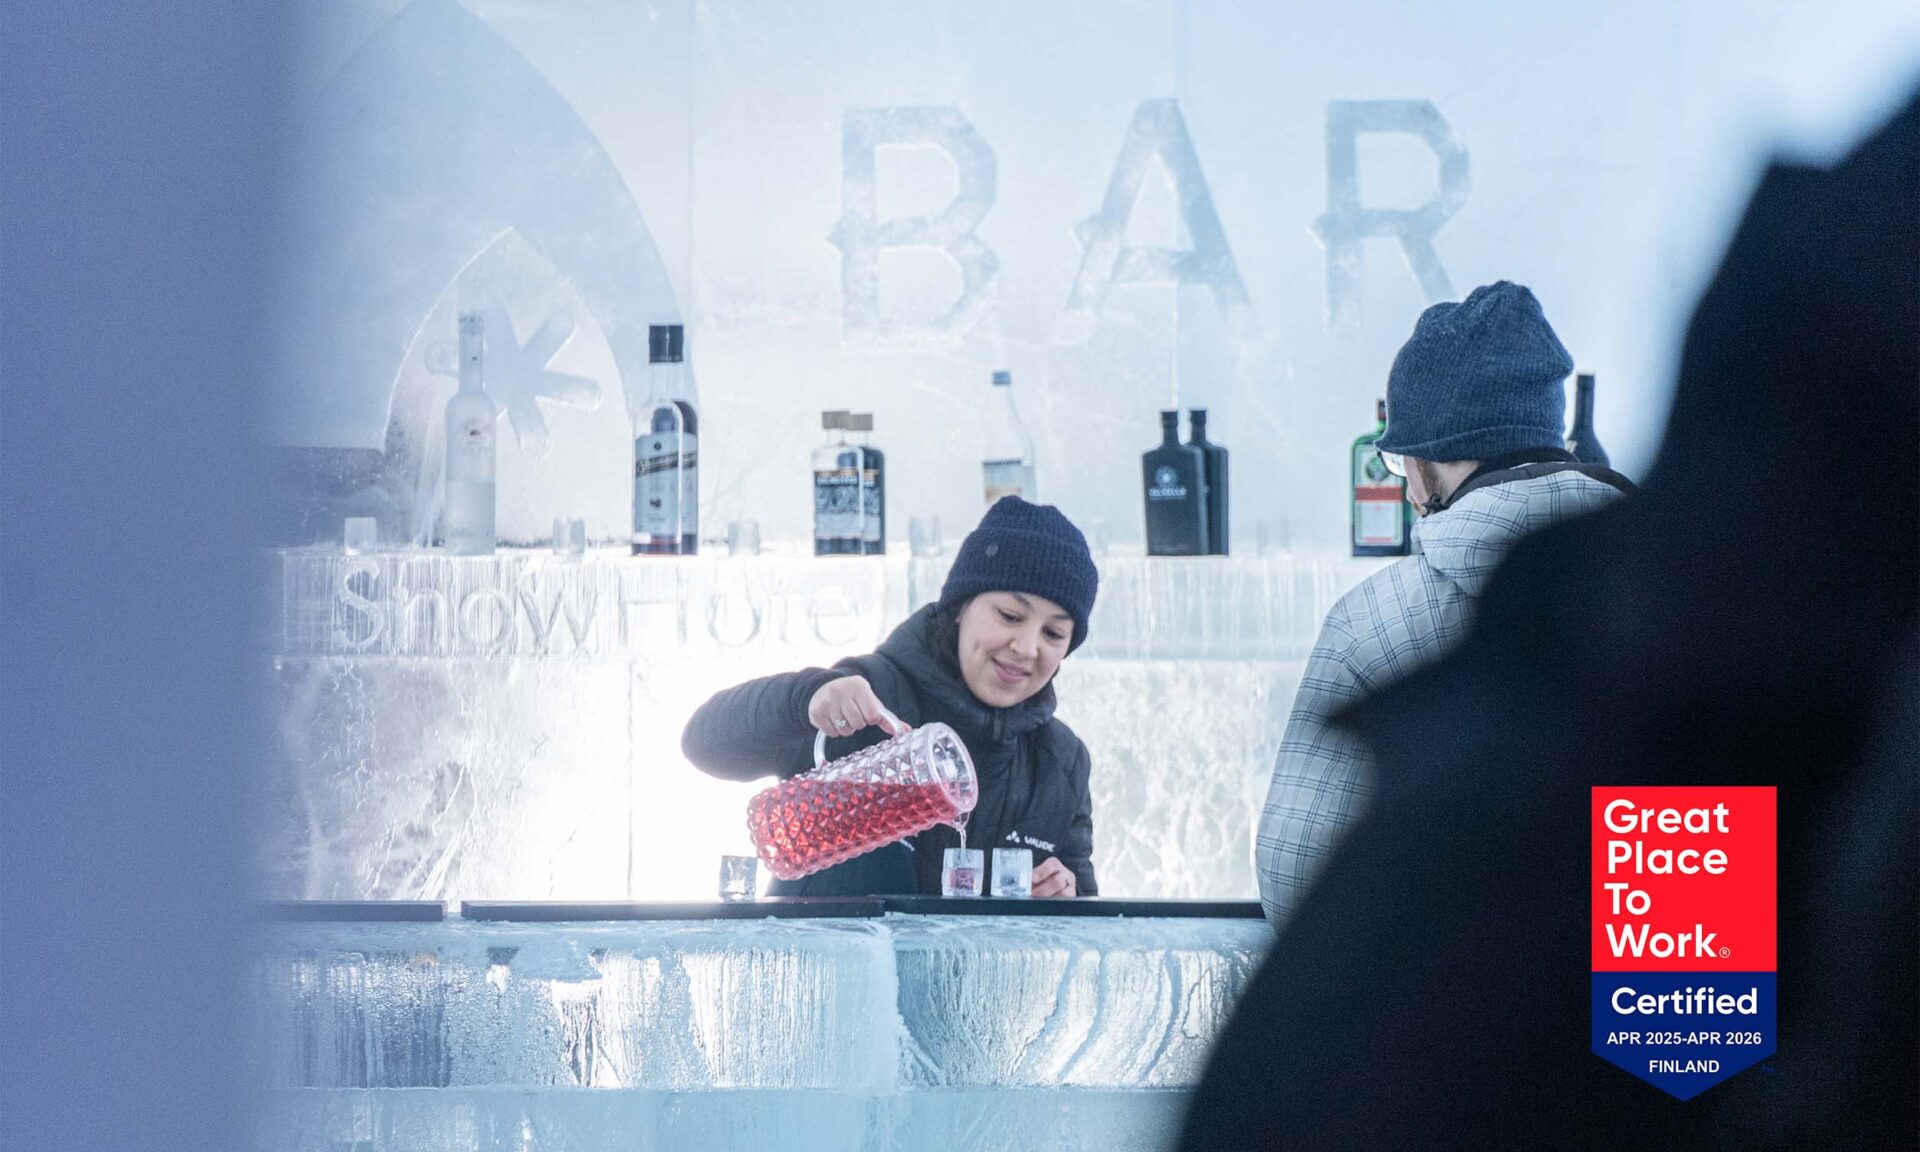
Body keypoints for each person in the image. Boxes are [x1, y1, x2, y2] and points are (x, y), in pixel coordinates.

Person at [1181, 92, 1917, 1149]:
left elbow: (1292, 865)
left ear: (1430, 453)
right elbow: (1689, 1025)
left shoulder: (1389, 618)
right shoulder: (1704, 624)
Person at [1257, 281, 1634, 928]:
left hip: (1437, 1017)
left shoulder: (1371, 624)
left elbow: (1295, 874)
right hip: (1642, 1016)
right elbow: (1706, 911)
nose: (1405, 491)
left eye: (1404, 466)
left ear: (1435, 458)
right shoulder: (1678, 608)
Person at [683, 496, 1100, 898]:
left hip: (978, 974)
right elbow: (704, 744)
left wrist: (1067, 895)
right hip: (829, 967)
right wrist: (805, 699)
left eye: (1053, 633)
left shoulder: (1061, 762)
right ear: (959, 608)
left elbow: (1085, 934)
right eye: (1010, 616)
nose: (1027, 648)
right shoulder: (868, 700)